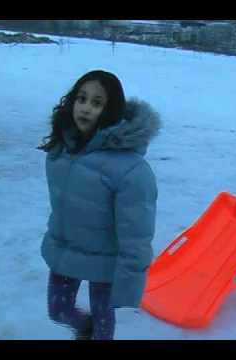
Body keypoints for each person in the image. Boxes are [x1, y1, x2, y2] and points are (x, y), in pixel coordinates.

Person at [37, 70, 161, 340]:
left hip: (107, 261)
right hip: (68, 249)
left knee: (104, 324)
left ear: (111, 110)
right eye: (81, 99)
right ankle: (86, 330)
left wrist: (130, 278)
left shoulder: (130, 170)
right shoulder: (62, 148)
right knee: (58, 310)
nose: (85, 108)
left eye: (96, 102)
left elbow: (137, 232)